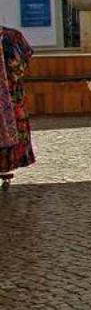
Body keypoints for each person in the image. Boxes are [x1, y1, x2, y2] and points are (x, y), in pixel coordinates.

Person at [0, 23, 33, 188]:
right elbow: (20, 66)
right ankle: (5, 168)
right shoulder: (12, 37)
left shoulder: (11, 37)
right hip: (11, 97)